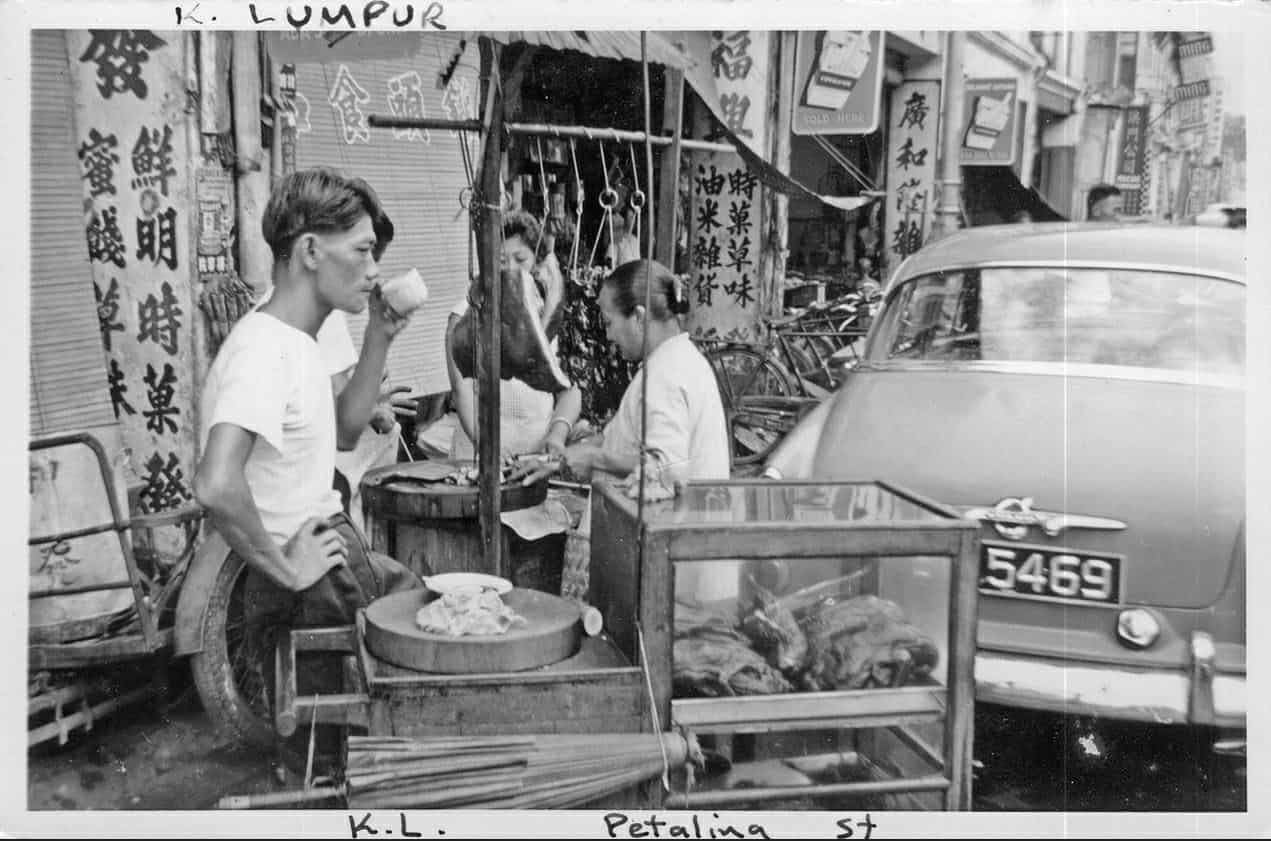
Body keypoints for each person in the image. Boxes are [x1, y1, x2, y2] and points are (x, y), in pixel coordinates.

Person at [194, 168, 424, 712]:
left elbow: (345, 433)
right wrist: (287, 566)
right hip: (315, 579)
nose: (373, 271)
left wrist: (379, 336)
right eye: (364, 251)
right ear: (311, 251)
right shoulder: (264, 349)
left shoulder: (299, 340)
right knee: (358, 737)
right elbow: (216, 483)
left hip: (326, 561)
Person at [443, 210, 582, 461]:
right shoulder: (465, 314)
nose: (510, 269)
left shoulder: (548, 316)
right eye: (501, 260)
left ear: (537, 262)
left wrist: (557, 435)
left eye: (520, 259)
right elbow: (461, 390)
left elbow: (569, 390)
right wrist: (489, 451)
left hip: (535, 457)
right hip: (479, 454)